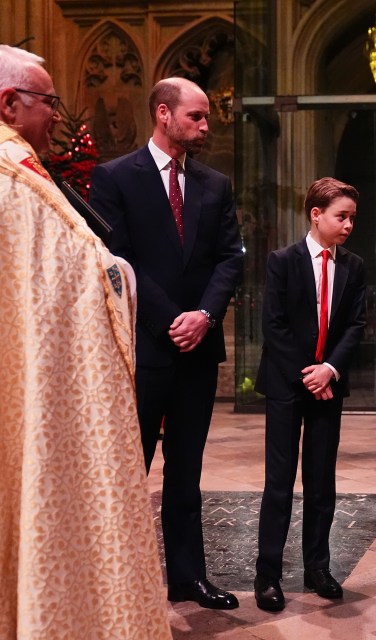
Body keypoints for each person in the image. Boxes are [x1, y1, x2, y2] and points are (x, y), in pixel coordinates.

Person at [0, 45, 170, 637]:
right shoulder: (17, 186)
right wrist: (118, 276)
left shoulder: (26, 178)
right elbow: (72, 278)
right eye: (49, 102)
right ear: (9, 104)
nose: (56, 115)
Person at [89, 77, 244, 609]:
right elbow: (115, 256)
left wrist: (203, 316)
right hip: (143, 347)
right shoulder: (113, 177)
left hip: (197, 349)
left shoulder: (214, 184)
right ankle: (116, 581)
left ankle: (187, 579)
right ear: (163, 114)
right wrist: (170, 318)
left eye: (205, 119)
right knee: (130, 466)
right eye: (197, 117)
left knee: (187, 471)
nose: (205, 126)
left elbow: (230, 258)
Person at [253, 178, 367, 611]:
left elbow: (356, 324)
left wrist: (330, 370)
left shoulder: (354, 266)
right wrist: (309, 373)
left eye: (353, 217)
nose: (349, 225)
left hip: (328, 386)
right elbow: (274, 325)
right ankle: (268, 574)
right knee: (279, 483)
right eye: (342, 216)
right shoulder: (283, 261)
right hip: (288, 383)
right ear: (316, 215)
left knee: (321, 480)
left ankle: (318, 566)